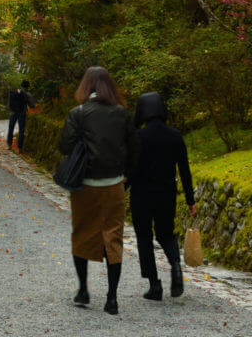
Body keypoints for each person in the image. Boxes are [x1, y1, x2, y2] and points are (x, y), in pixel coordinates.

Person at [58, 66, 139, 317]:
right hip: (114, 184)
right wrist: (127, 178)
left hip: (85, 185)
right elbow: (135, 149)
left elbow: (64, 146)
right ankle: (112, 298)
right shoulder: (122, 114)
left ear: (86, 86)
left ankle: (83, 289)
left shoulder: (78, 114)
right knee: (113, 237)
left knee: (82, 233)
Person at [128, 91, 197, 301]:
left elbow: (129, 170)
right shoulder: (175, 136)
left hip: (141, 195)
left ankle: (154, 285)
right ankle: (175, 266)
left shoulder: (137, 137)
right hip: (166, 194)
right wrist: (190, 200)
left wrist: (118, 192)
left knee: (144, 238)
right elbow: (184, 170)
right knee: (166, 234)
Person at [7, 79, 35, 152]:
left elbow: (9, 103)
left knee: (11, 128)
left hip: (13, 113)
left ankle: (9, 145)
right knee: (21, 130)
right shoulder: (27, 94)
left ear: (21, 85)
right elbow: (32, 105)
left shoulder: (15, 92)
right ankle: (20, 148)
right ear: (27, 87)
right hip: (22, 114)